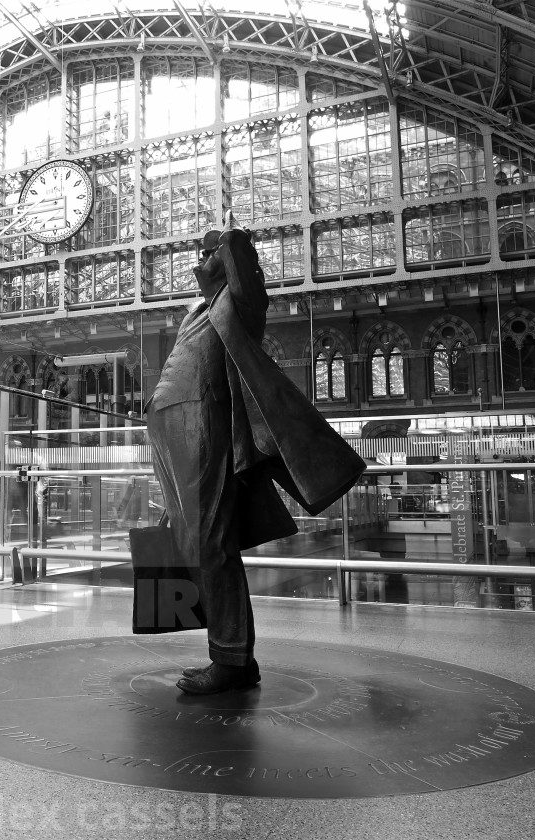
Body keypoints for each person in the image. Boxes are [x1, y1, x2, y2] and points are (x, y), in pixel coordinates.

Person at [145, 211, 366, 695]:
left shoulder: (239, 302)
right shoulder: (198, 311)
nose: (200, 260)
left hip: (206, 431)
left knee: (210, 542)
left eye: (209, 253)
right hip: (176, 437)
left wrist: (230, 236)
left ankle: (230, 660)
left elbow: (244, 265)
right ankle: (233, 656)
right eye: (202, 253)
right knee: (192, 543)